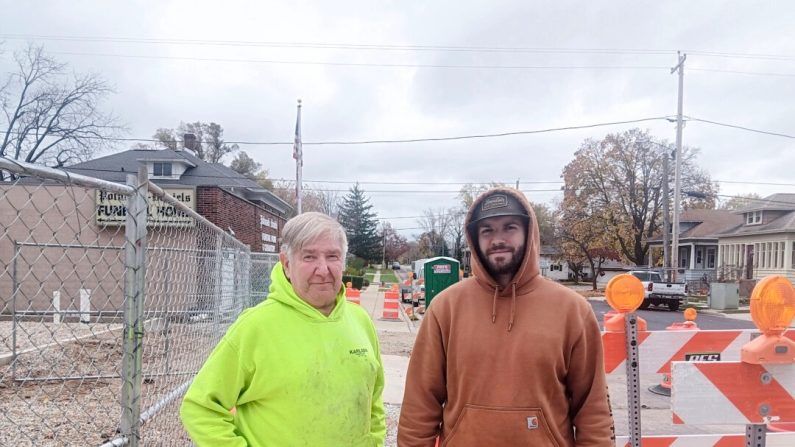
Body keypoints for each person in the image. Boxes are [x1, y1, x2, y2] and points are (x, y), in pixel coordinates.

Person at [398, 188, 614, 446]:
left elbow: (593, 410)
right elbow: (419, 404)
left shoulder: (572, 310)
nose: (498, 238)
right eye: (487, 230)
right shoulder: (445, 308)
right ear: (474, 238)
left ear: (528, 232)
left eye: (509, 227)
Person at [181, 212, 386, 447]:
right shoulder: (255, 326)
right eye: (309, 257)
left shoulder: (360, 321)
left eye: (332, 256)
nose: (323, 269)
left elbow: (374, 400)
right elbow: (201, 407)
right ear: (287, 264)